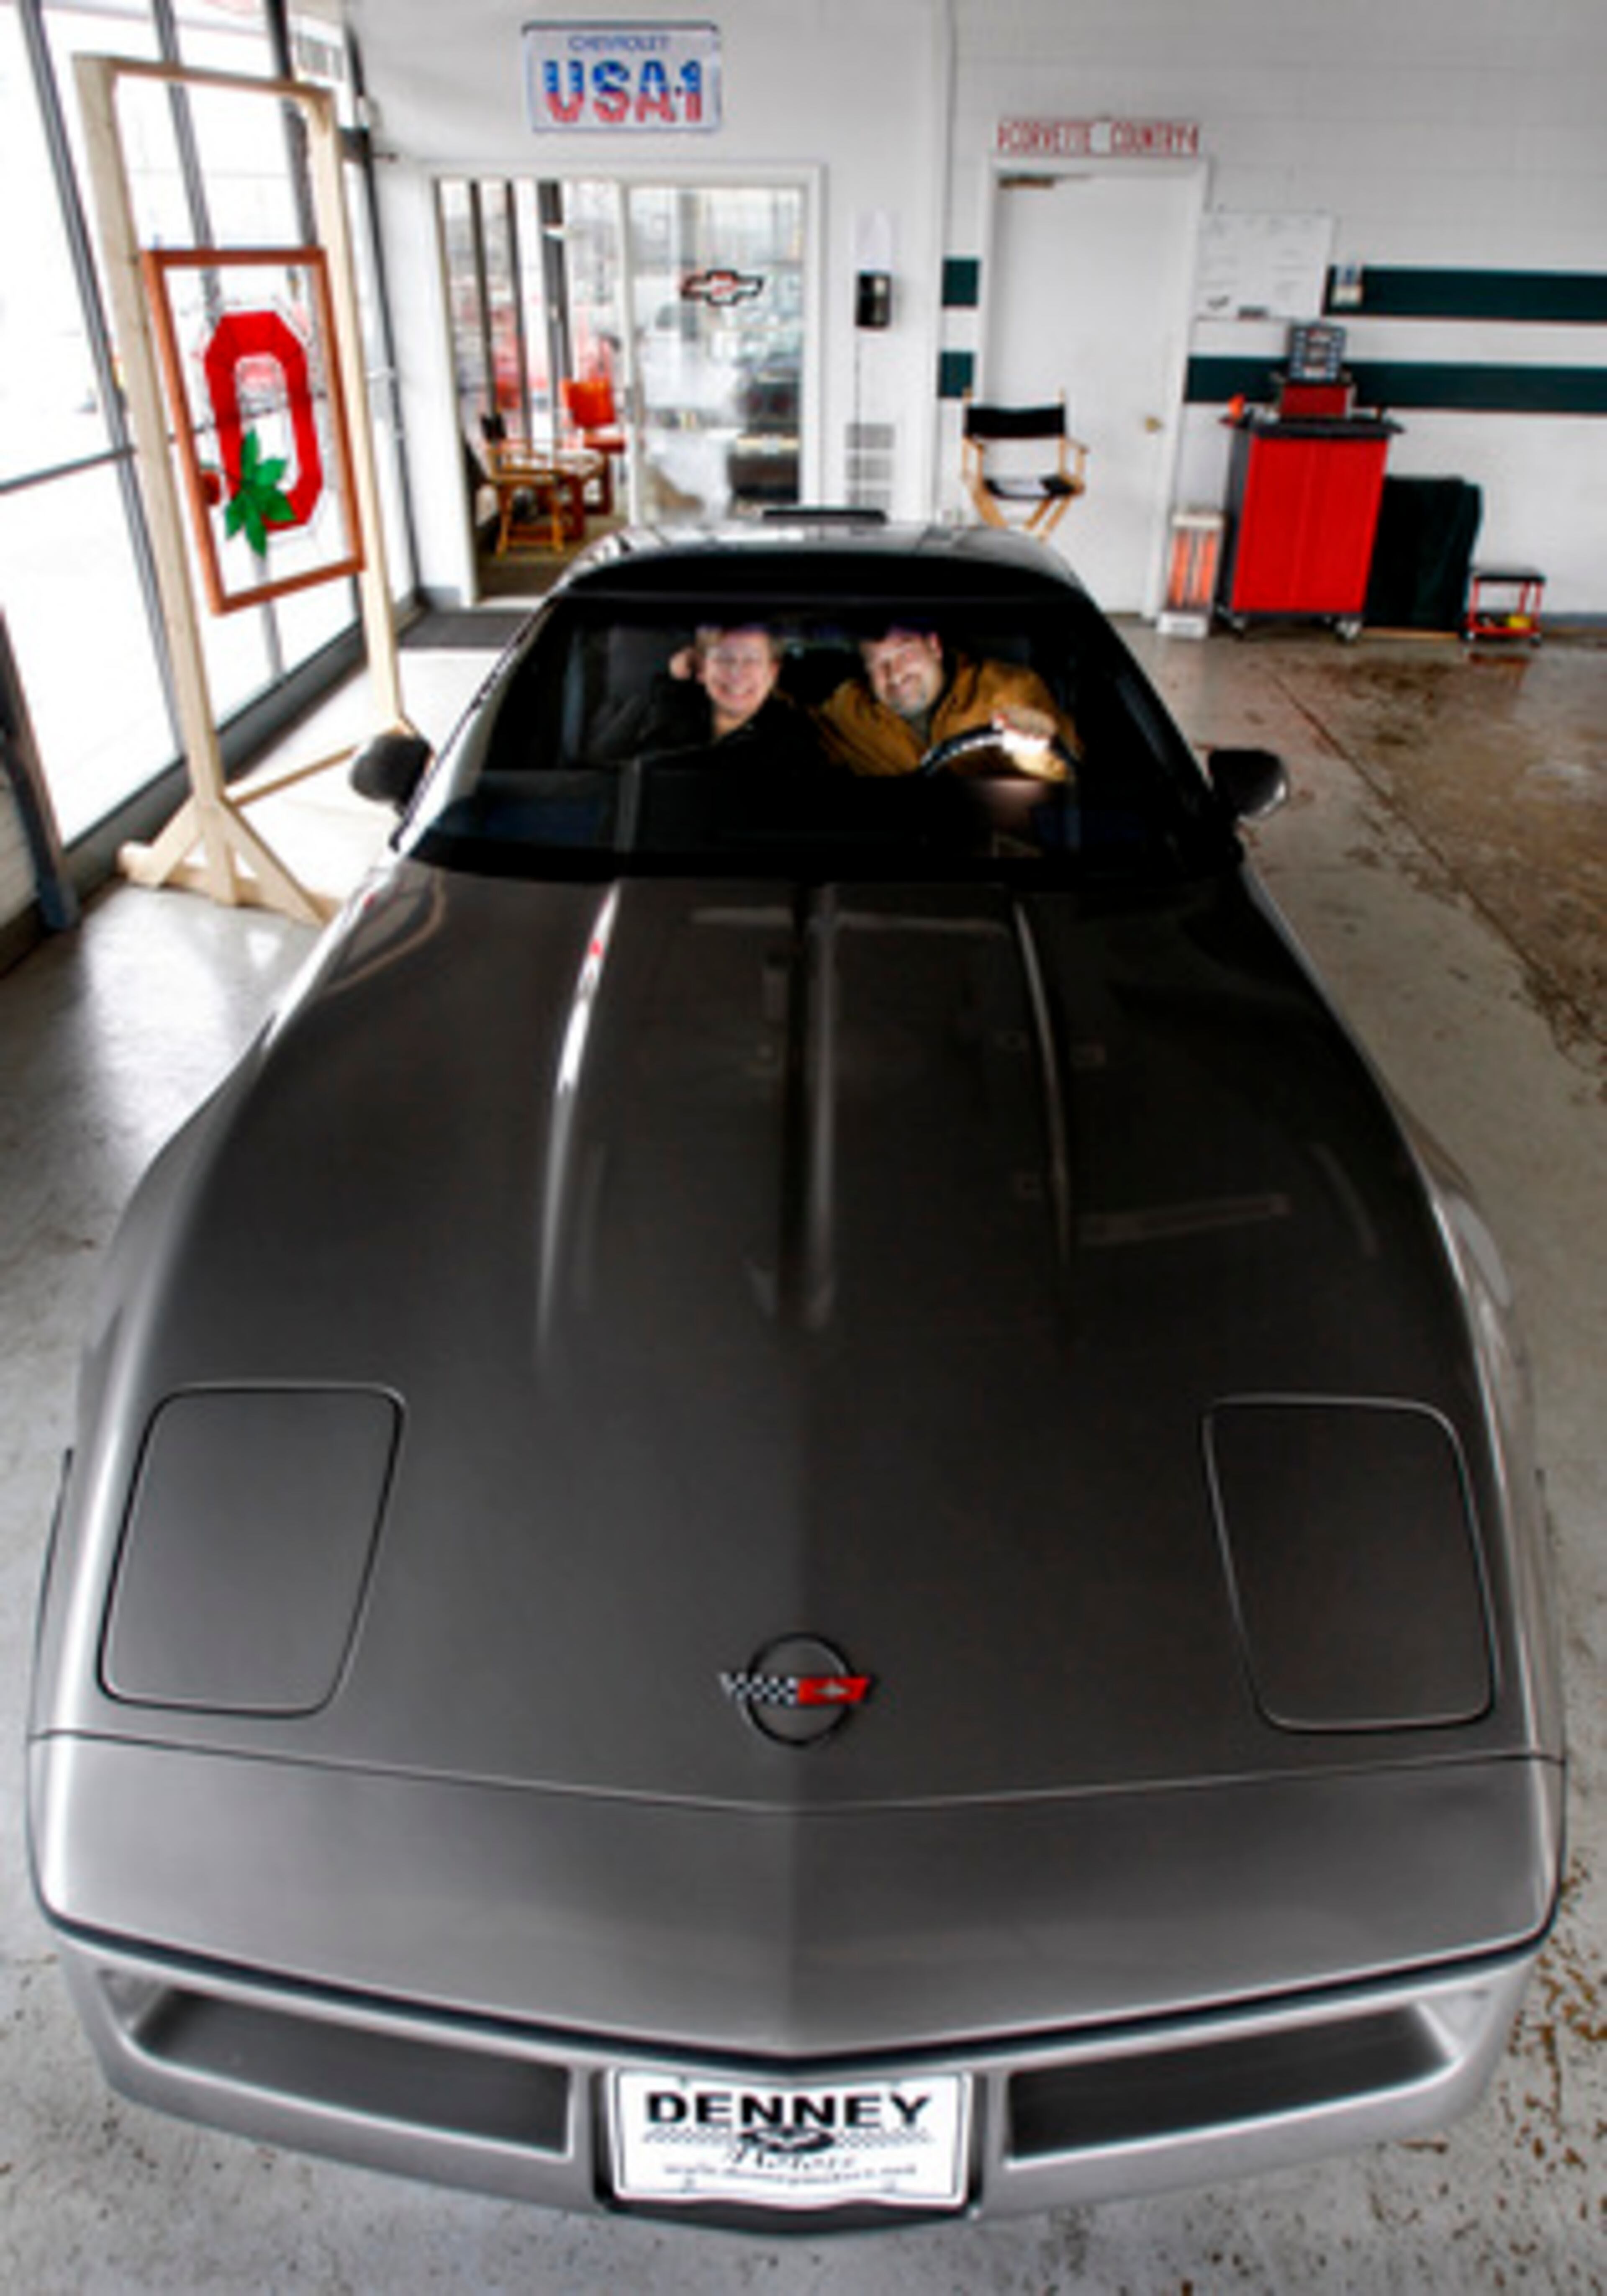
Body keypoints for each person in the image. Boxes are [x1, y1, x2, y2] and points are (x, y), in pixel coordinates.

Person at [814, 625, 1079, 780]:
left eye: (904, 653)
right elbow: (797, 732)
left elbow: (1067, 766)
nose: (894, 674)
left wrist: (1033, 747)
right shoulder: (849, 712)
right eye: (878, 664)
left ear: (934, 647)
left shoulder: (1008, 690)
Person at [603, 623, 820, 770]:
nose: (737, 673)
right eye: (725, 660)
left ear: (773, 672)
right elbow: (604, 764)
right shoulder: (665, 713)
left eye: (752, 661)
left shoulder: (797, 742)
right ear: (702, 671)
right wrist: (671, 683)